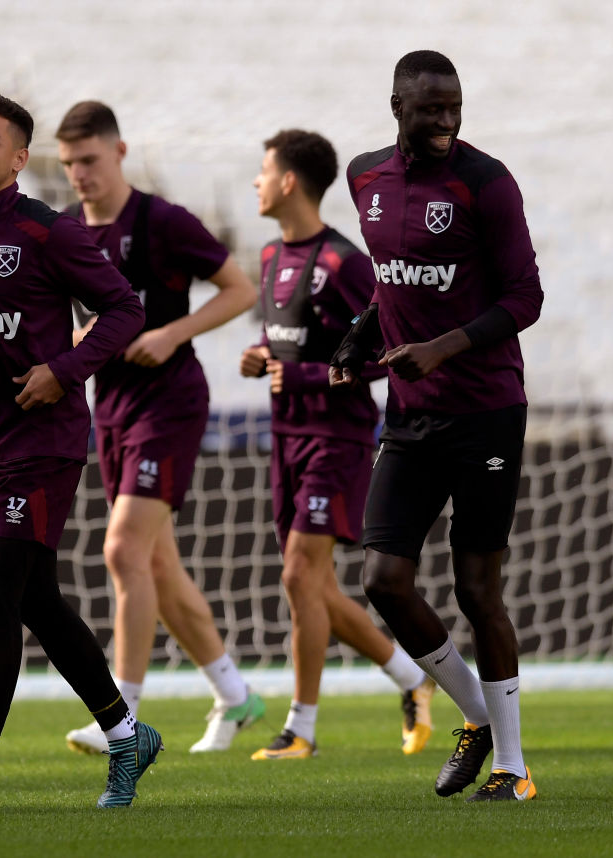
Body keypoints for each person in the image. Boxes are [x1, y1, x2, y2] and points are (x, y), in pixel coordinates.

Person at [0, 94, 161, 812]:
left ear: (19, 159)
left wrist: (63, 372)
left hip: (42, 443)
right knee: (36, 597)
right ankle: (127, 732)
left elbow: (125, 310)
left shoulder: (49, 232)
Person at [330, 51, 544, 801]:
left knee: (477, 588)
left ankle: (513, 771)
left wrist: (440, 350)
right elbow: (394, 284)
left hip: (486, 410)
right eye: (430, 108)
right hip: (412, 415)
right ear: (397, 107)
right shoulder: (365, 177)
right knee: (383, 579)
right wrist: (362, 342)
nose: (447, 120)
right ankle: (478, 716)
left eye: (454, 105)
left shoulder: (486, 183)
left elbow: (525, 298)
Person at [54, 101, 264, 754]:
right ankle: (235, 695)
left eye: (89, 160)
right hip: (110, 406)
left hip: (169, 402)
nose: (79, 175)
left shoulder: (163, 221)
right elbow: (64, 328)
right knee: (159, 568)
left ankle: (123, 716)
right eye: (68, 165)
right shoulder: (64, 232)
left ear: (118, 153)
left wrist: (173, 333)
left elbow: (239, 289)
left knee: (122, 551)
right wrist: (81, 339)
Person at [239, 130, 436, 761]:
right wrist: (263, 358)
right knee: (311, 587)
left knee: (299, 574)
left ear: (289, 181)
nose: (256, 182)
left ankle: (301, 729)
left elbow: (383, 354)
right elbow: (295, 346)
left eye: (264, 171)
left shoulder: (344, 264)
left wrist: (296, 374)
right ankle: (412, 678)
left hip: (338, 438)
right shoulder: (270, 257)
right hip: (286, 439)